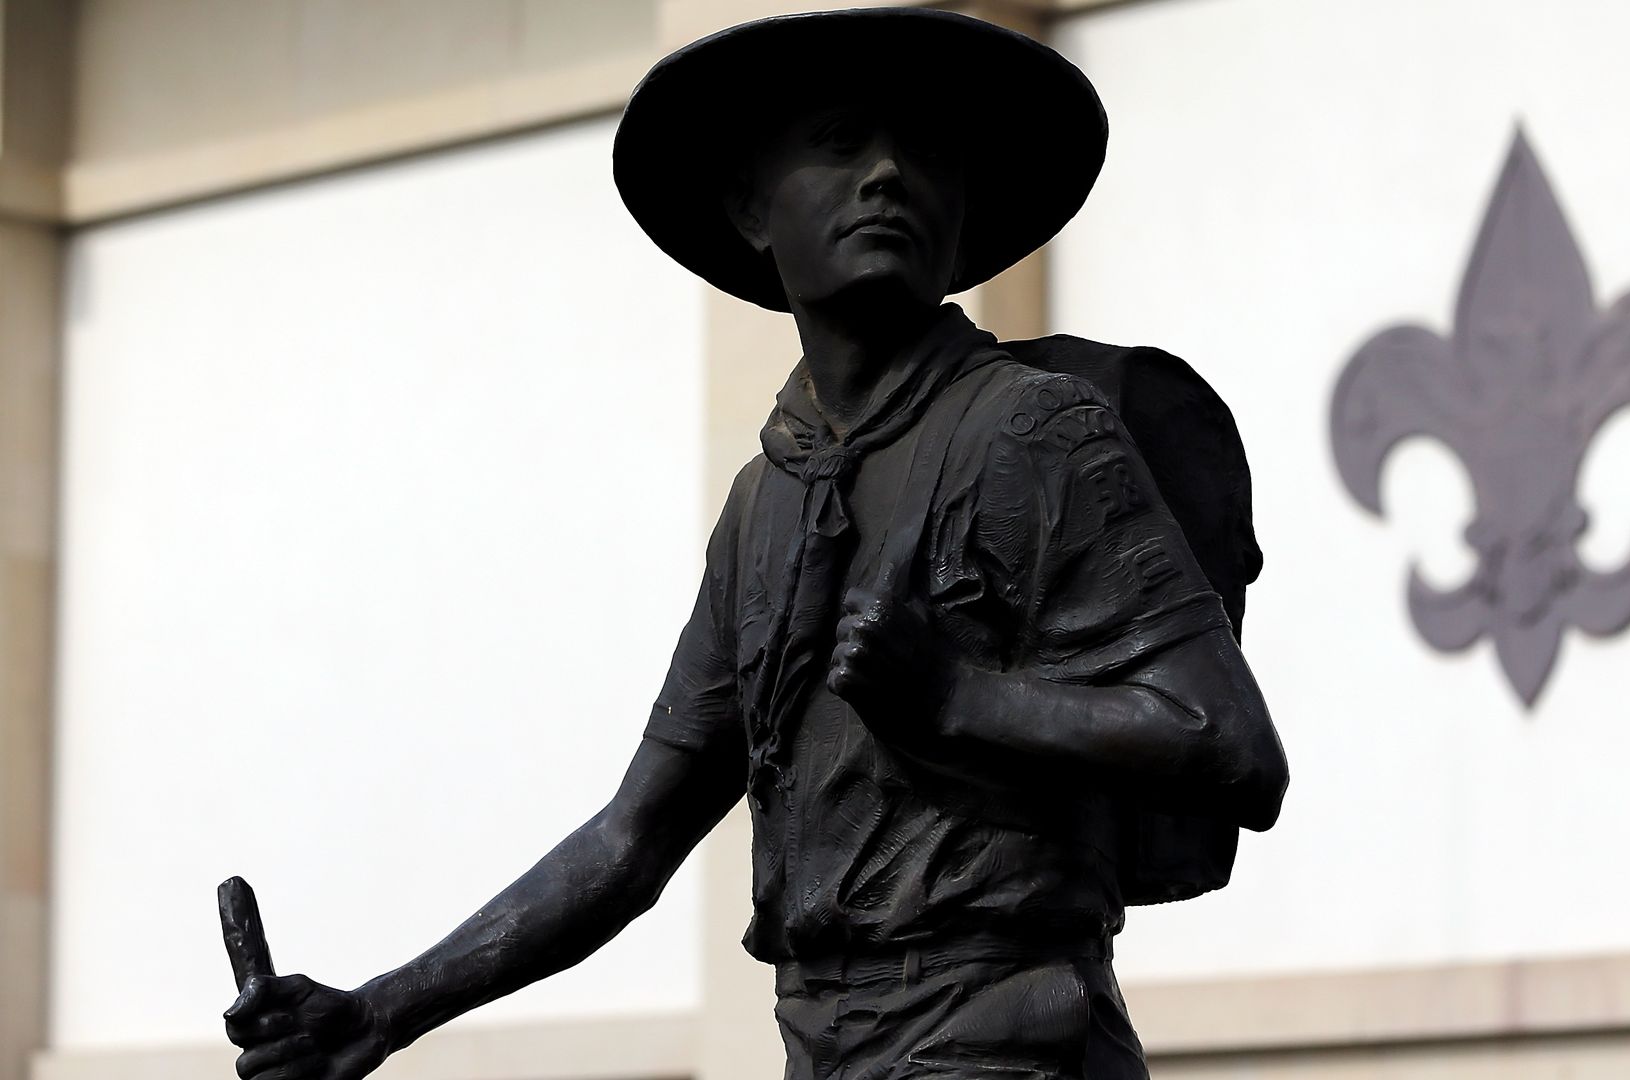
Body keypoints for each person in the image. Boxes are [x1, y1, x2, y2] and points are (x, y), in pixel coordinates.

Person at [221, 10, 1286, 1080]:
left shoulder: (1037, 432)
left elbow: (1230, 743)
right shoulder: (764, 505)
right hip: (823, 1051)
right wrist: (382, 1012)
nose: (886, 174)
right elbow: (631, 842)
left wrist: (964, 702)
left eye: (923, 151)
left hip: (1010, 1043)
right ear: (749, 206)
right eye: (837, 142)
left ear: (962, 215)